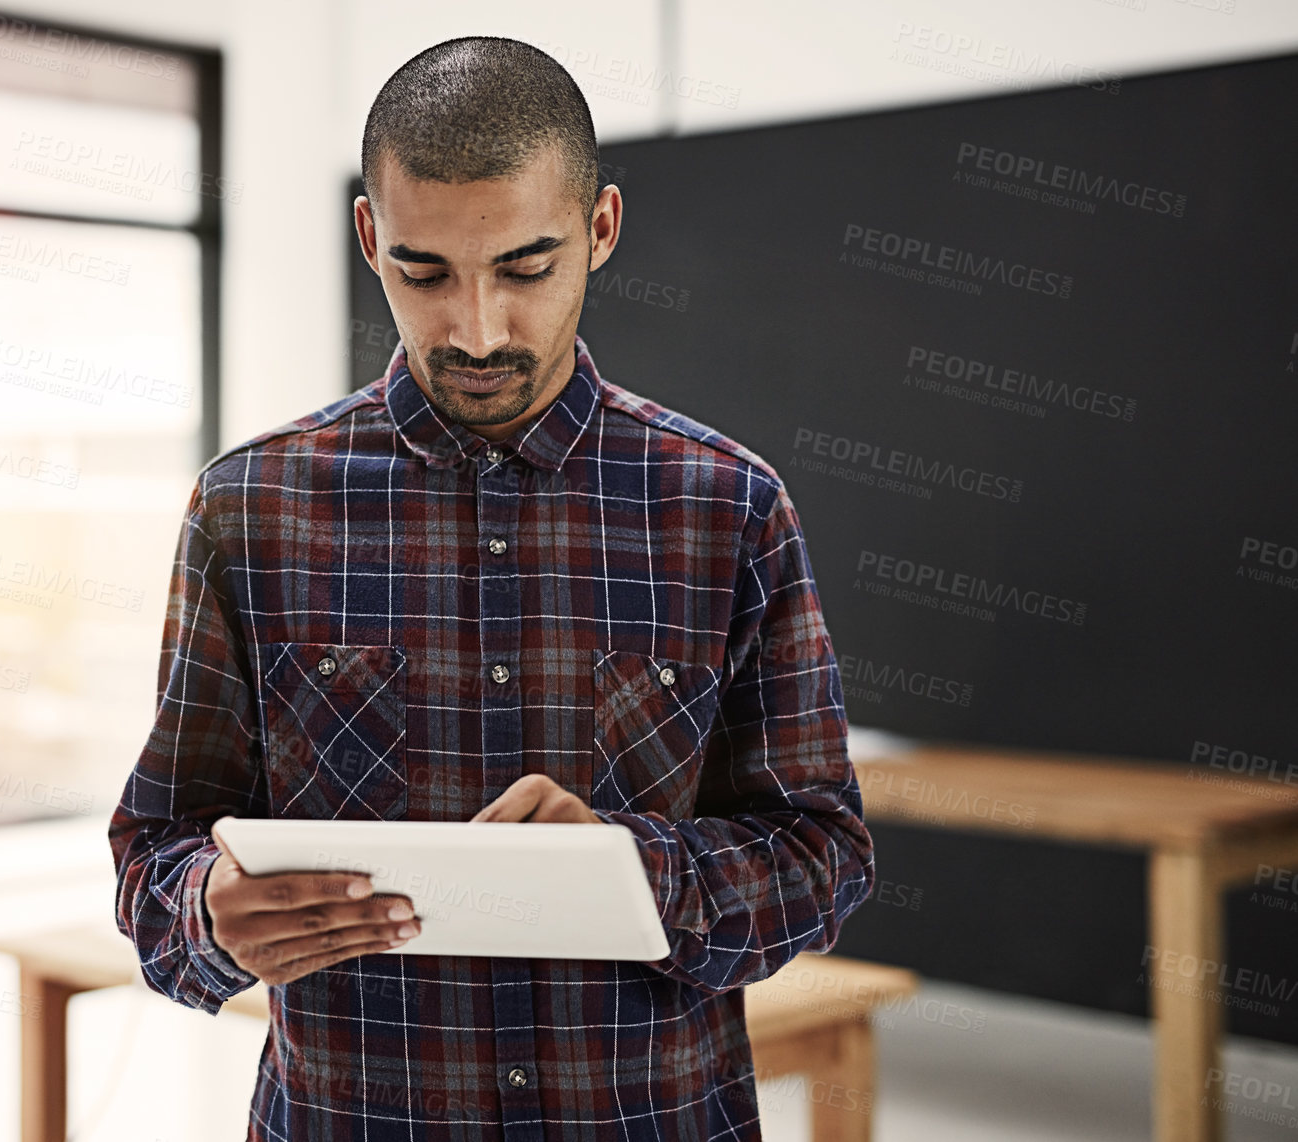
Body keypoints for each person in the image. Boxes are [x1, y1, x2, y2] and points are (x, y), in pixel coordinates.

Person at [109, 35, 875, 1141]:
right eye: (425, 272)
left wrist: (631, 872)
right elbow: (155, 856)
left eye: (524, 266)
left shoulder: (729, 507)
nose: (475, 329)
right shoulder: (248, 509)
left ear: (600, 230)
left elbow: (823, 854)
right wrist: (209, 915)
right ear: (370, 238)